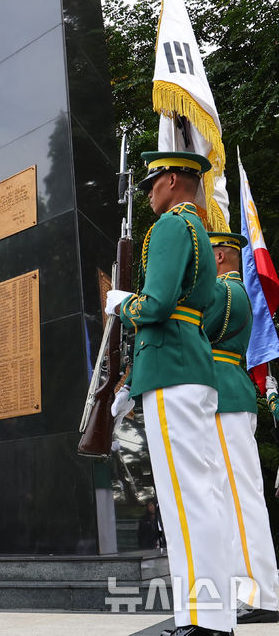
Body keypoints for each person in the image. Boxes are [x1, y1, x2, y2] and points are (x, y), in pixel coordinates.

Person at [110, 151, 234, 636]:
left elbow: (157, 305)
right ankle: (208, 616)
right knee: (201, 496)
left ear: (175, 179)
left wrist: (124, 305)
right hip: (187, 366)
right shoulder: (197, 230)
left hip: (171, 371)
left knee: (186, 500)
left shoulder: (169, 228)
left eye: (153, 181)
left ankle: (204, 620)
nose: (148, 192)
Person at [205, 232, 279, 624]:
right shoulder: (233, 292)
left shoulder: (225, 292)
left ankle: (262, 593)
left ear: (219, 256)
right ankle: (249, 588)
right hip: (228, 397)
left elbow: (193, 330)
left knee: (239, 496)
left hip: (226, 399)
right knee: (233, 496)